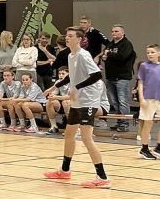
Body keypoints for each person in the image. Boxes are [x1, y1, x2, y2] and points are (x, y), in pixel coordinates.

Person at [42, 27, 112, 188]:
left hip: (88, 101)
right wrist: (54, 86)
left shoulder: (83, 55)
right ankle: (65, 170)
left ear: (79, 39)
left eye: (71, 36)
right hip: (77, 102)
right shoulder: (70, 55)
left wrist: (77, 87)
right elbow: (71, 78)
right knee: (69, 134)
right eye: (66, 36)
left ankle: (102, 178)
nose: (67, 38)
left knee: (87, 138)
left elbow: (96, 75)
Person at [137, 44, 160, 160]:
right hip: (148, 98)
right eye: (148, 53)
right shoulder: (144, 66)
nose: (150, 54)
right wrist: (141, 98)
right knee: (148, 123)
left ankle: (159, 147)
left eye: (152, 52)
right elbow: (140, 83)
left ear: (158, 53)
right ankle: (144, 148)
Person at [104, 24, 136, 132]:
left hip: (122, 77)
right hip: (110, 77)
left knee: (123, 101)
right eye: (112, 31)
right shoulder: (110, 44)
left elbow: (122, 57)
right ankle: (119, 121)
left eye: (116, 31)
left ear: (123, 33)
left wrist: (109, 55)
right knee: (114, 101)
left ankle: (124, 123)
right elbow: (105, 55)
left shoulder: (126, 44)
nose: (114, 33)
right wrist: (105, 57)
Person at [43, 66, 72, 135]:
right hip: (62, 104)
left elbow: (70, 97)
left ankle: (71, 127)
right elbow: (53, 94)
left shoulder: (72, 82)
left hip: (73, 104)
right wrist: (51, 96)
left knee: (66, 102)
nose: (61, 75)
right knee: (50, 102)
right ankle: (54, 126)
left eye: (63, 73)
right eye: (59, 74)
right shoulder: (58, 82)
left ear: (68, 74)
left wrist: (56, 97)